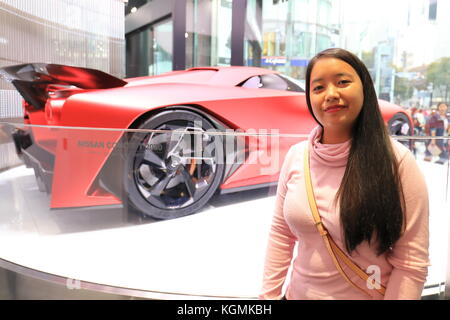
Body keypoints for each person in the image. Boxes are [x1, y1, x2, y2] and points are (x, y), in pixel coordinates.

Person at [259, 48, 429, 300]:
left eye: (343, 82)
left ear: (364, 88)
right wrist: (267, 299)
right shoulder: (297, 156)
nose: (331, 94)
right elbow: (281, 235)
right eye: (318, 88)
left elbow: (411, 264)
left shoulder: (397, 162)